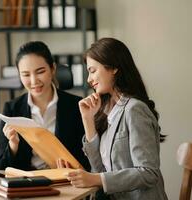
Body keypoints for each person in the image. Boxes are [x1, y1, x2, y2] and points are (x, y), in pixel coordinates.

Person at [64, 38, 168, 199]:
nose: (88, 79)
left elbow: (149, 173)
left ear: (113, 68)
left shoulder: (134, 109)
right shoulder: (107, 110)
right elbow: (99, 169)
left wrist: (96, 179)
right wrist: (88, 120)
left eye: (92, 71)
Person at [0, 41, 90, 171]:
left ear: (53, 68)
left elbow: (89, 161)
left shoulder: (76, 106)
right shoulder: (11, 109)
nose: (34, 81)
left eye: (40, 72)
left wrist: (72, 168)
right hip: (27, 186)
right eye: (26, 74)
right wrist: (13, 145)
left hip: (68, 183)